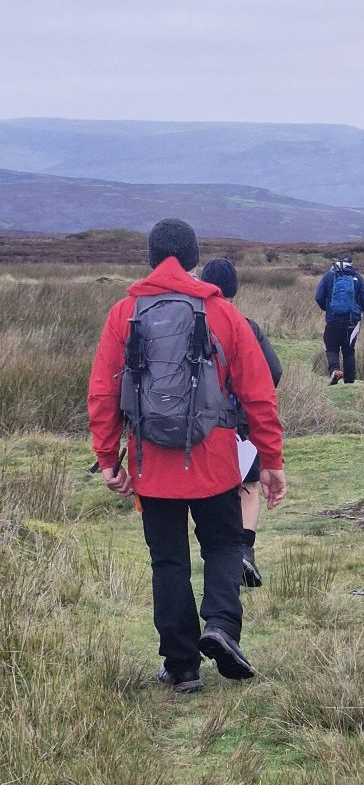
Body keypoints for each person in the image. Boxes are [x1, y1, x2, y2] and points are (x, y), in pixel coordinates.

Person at [88, 218, 286, 694]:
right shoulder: (223, 314)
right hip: (215, 460)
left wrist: (109, 457)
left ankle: (181, 667)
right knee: (223, 544)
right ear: (196, 259)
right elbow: (259, 391)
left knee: (168, 561)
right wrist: (271, 458)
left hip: (151, 463)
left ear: (151, 258)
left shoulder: (124, 313)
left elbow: (103, 391)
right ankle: (220, 625)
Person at [201, 257, 283, 589]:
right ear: (235, 287)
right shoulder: (245, 325)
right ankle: (244, 550)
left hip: (202, 429)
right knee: (248, 487)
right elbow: (273, 370)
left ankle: (220, 555)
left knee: (217, 493)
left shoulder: (190, 323)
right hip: (242, 424)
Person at [315, 253, 364, 385]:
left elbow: (319, 297)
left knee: (332, 348)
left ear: (338, 262)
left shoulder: (329, 276)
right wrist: (357, 311)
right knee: (349, 350)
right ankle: (349, 382)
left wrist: (327, 309)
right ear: (351, 263)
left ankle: (334, 370)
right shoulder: (357, 277)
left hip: (333, 319)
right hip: (352, 321)